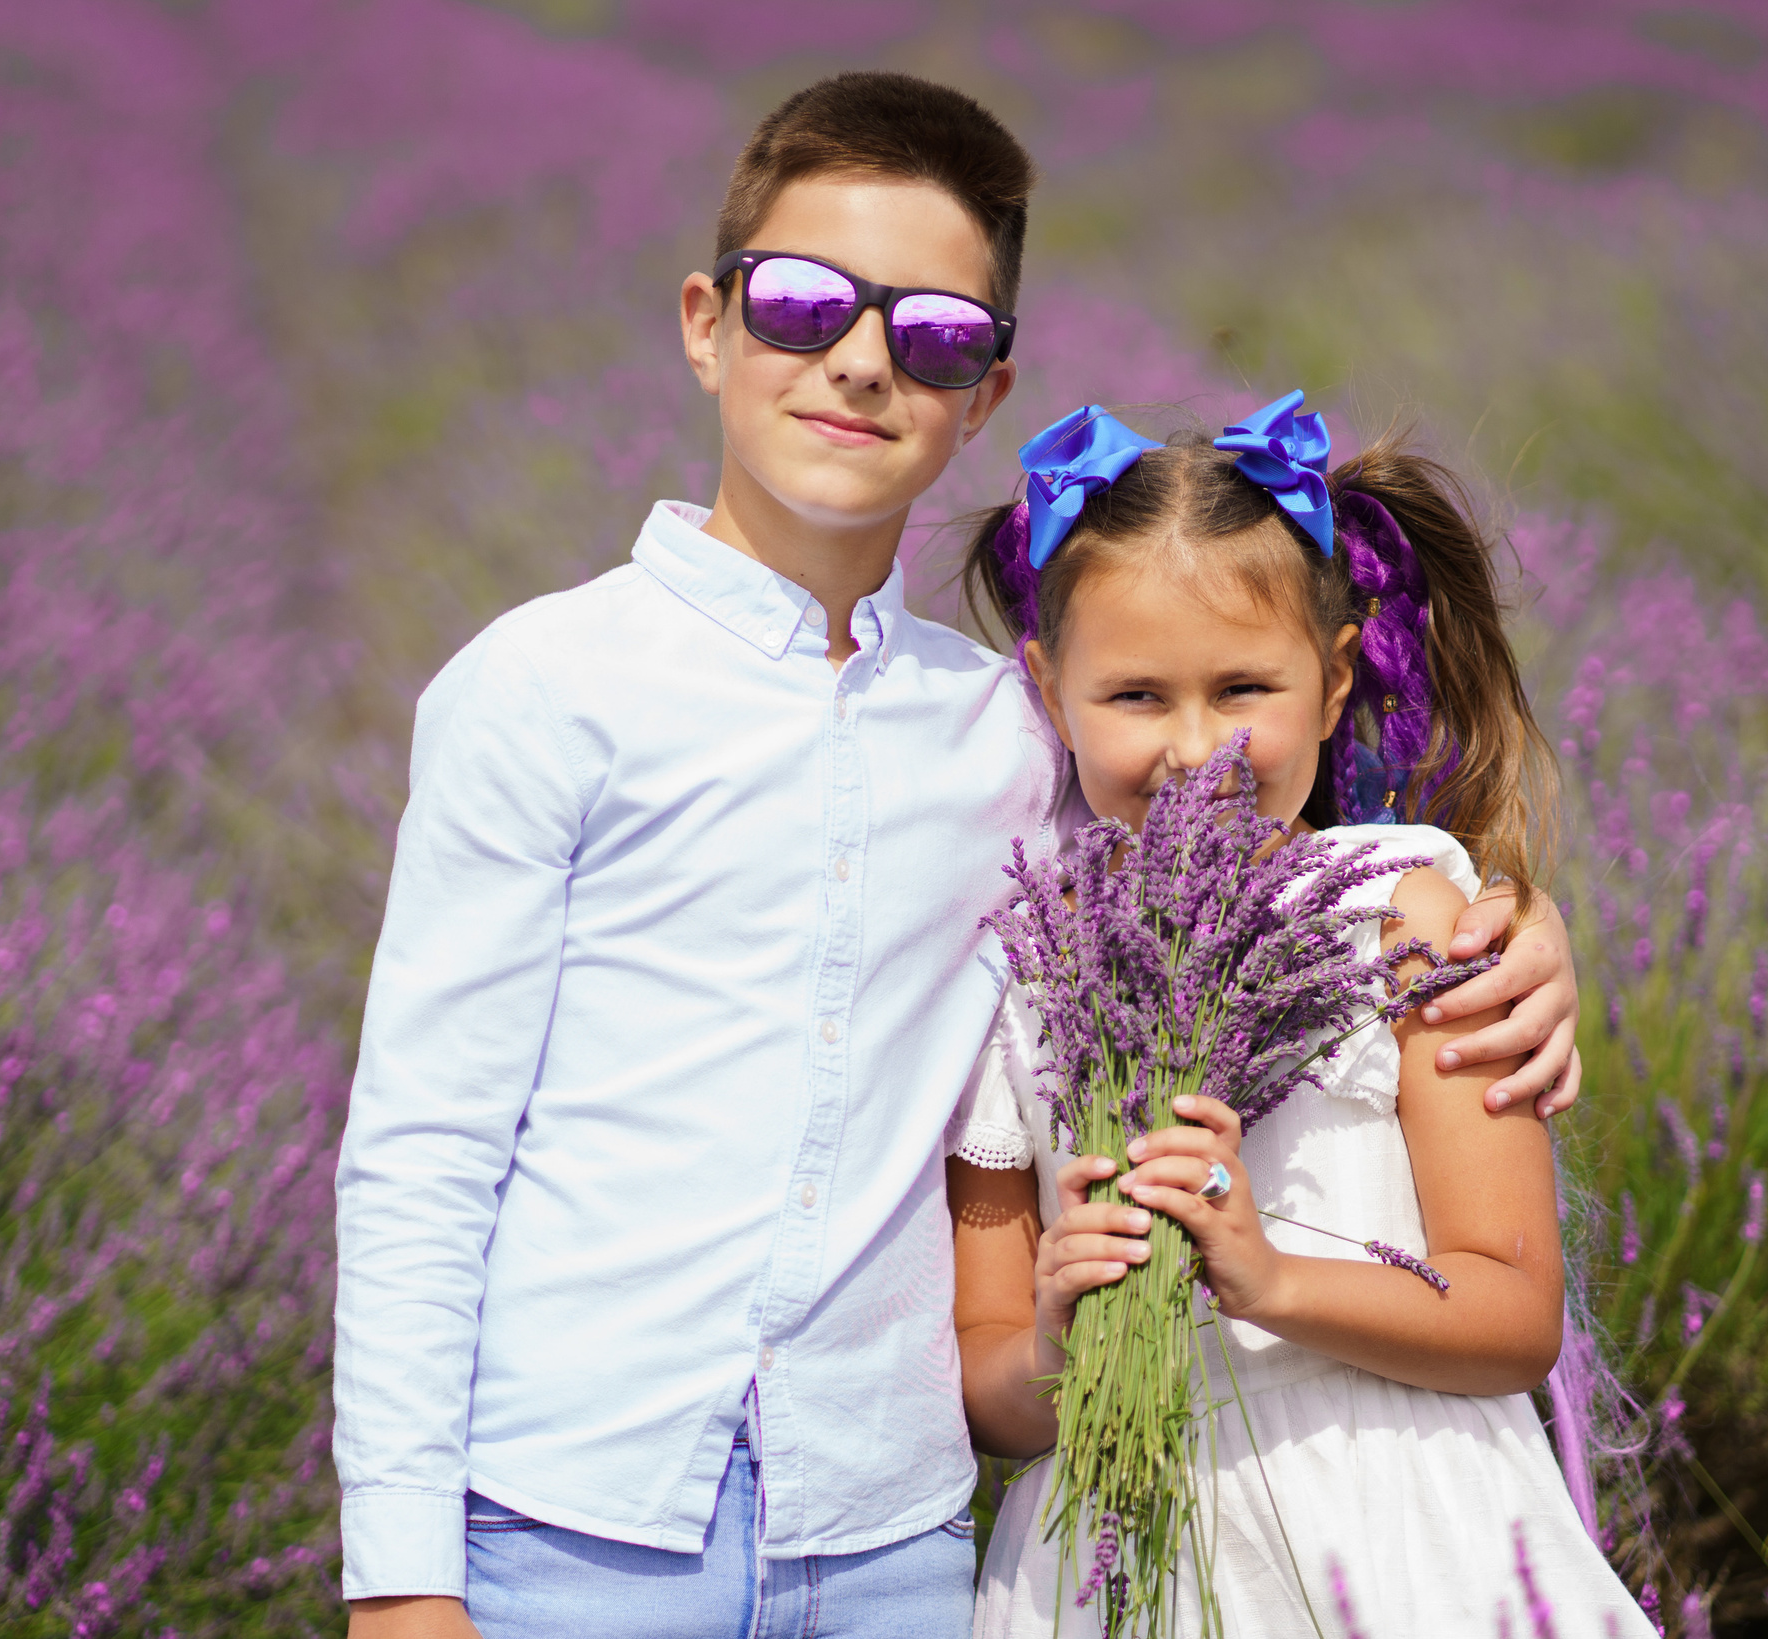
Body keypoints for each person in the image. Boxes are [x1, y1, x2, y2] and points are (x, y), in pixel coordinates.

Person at [335, 71, 1587, 1639]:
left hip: (886, 1537)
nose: (859, 359)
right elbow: (422, 1155)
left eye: (930, 331)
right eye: (800, 303)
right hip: (576, 1519)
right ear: (708, 322)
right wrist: (398, 1578)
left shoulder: (1009, 731)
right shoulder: (542, 686)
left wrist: (1510, 916)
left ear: (984, 389)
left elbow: (1246, 868)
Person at [950, 396, 1646, 1636]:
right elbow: (990, 1388)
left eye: (1242, 688)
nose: (1197, 747)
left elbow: (1511, 1315)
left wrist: (1268, 1276)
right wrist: (1056, 1336)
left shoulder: (1407, 919)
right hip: (1116, 1566)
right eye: (1136, 696)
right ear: (1048, 691)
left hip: (1397, 1537)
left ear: (1333, 683)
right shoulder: (1017, 977)